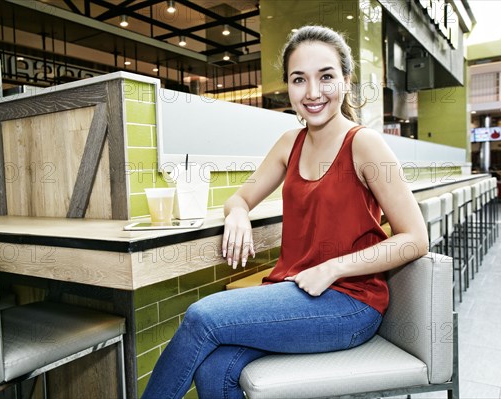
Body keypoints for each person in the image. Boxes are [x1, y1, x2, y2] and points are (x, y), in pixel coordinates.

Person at [141, 25, 429, 399]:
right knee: (215, 368)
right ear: (288, 87)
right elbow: (239, 198)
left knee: (202, 316)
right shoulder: (288, 144)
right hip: (295, 292)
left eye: (325, 77)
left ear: (345, 80)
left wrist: (333, 267)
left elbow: (415, 239)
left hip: (350, 304)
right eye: (299, 79)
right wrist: (238, 214)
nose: (312, 92)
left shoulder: (365, 145)